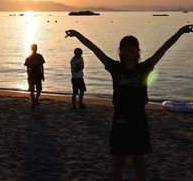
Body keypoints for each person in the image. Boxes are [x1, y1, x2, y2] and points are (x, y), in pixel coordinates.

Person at [65, 24, 193, 181]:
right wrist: (77, 34)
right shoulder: (115, 68)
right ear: (121, 51)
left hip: (139, 118)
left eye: (132, 47)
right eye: (125, 47)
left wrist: (180, 31)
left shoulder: (145, 68)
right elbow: (94, 49)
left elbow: (164, 49)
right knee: (119, 160)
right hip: (120, 118)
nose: (129, 50)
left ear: (137, 51)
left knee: (139, 160)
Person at [24, 44, 45, 108]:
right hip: (31, 76)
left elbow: (42, 66)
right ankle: (33, 103)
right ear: (32, 49)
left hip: (38, 75)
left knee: (39, 90)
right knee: (32, 90)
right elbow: (27, 69)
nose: (35, 49)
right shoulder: (28, 58)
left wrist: (42, 74)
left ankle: (36, 99)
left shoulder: (40, 56)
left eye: (36, 48)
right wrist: (28, 76)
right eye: (34, 48)